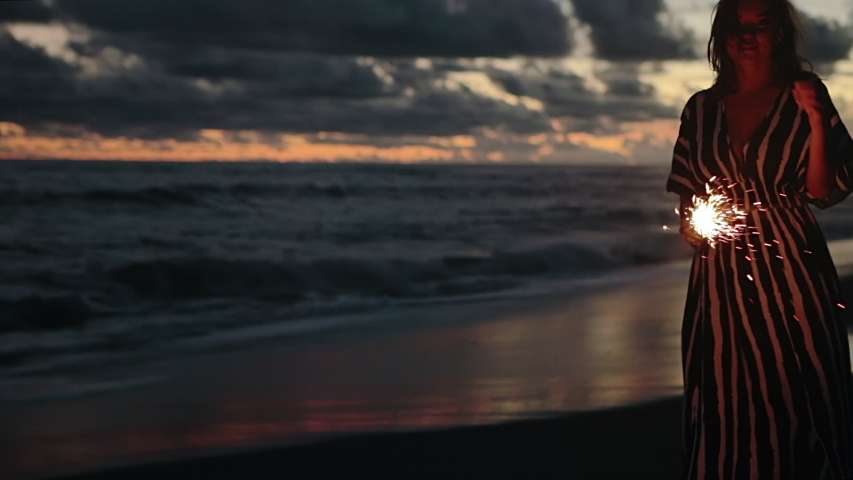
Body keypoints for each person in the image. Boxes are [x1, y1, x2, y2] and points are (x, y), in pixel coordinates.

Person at [666, 0, 853, 478]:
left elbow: (820, 191)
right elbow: (687, 196)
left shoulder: (806, 95)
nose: (746, 35)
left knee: (800, 391)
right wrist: (695, 225)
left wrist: (814, 120)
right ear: (721, 35)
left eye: (760, 24)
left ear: (779, 34)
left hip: (792, 263)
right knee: (724, 397)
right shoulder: (700, 109)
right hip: (719, 277)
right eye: (736, 25)